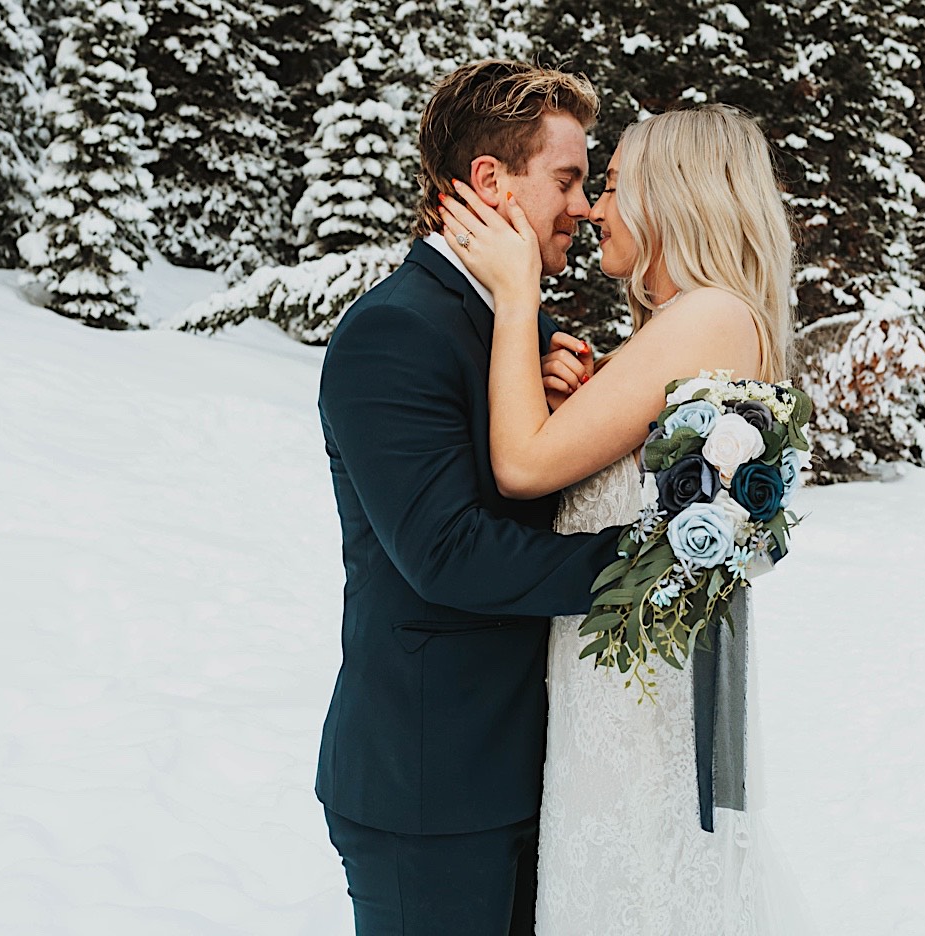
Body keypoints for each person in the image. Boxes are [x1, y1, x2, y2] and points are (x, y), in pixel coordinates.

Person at [441, 104, 813, 934]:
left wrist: (514, 295)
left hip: (636, 699)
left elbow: (523, 464)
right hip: (614, 682)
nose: (593, 209)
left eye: (610, 187)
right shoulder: (694, 322)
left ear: (673, 197)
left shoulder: (709, 316)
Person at [314, 60, 625, 936]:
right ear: (490, 181)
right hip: (429, 786)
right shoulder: (393, 332)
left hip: (530, 767)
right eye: (566, 178)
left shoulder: (522, 327)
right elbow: (446, 552)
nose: (583, 205)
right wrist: (646, 566)